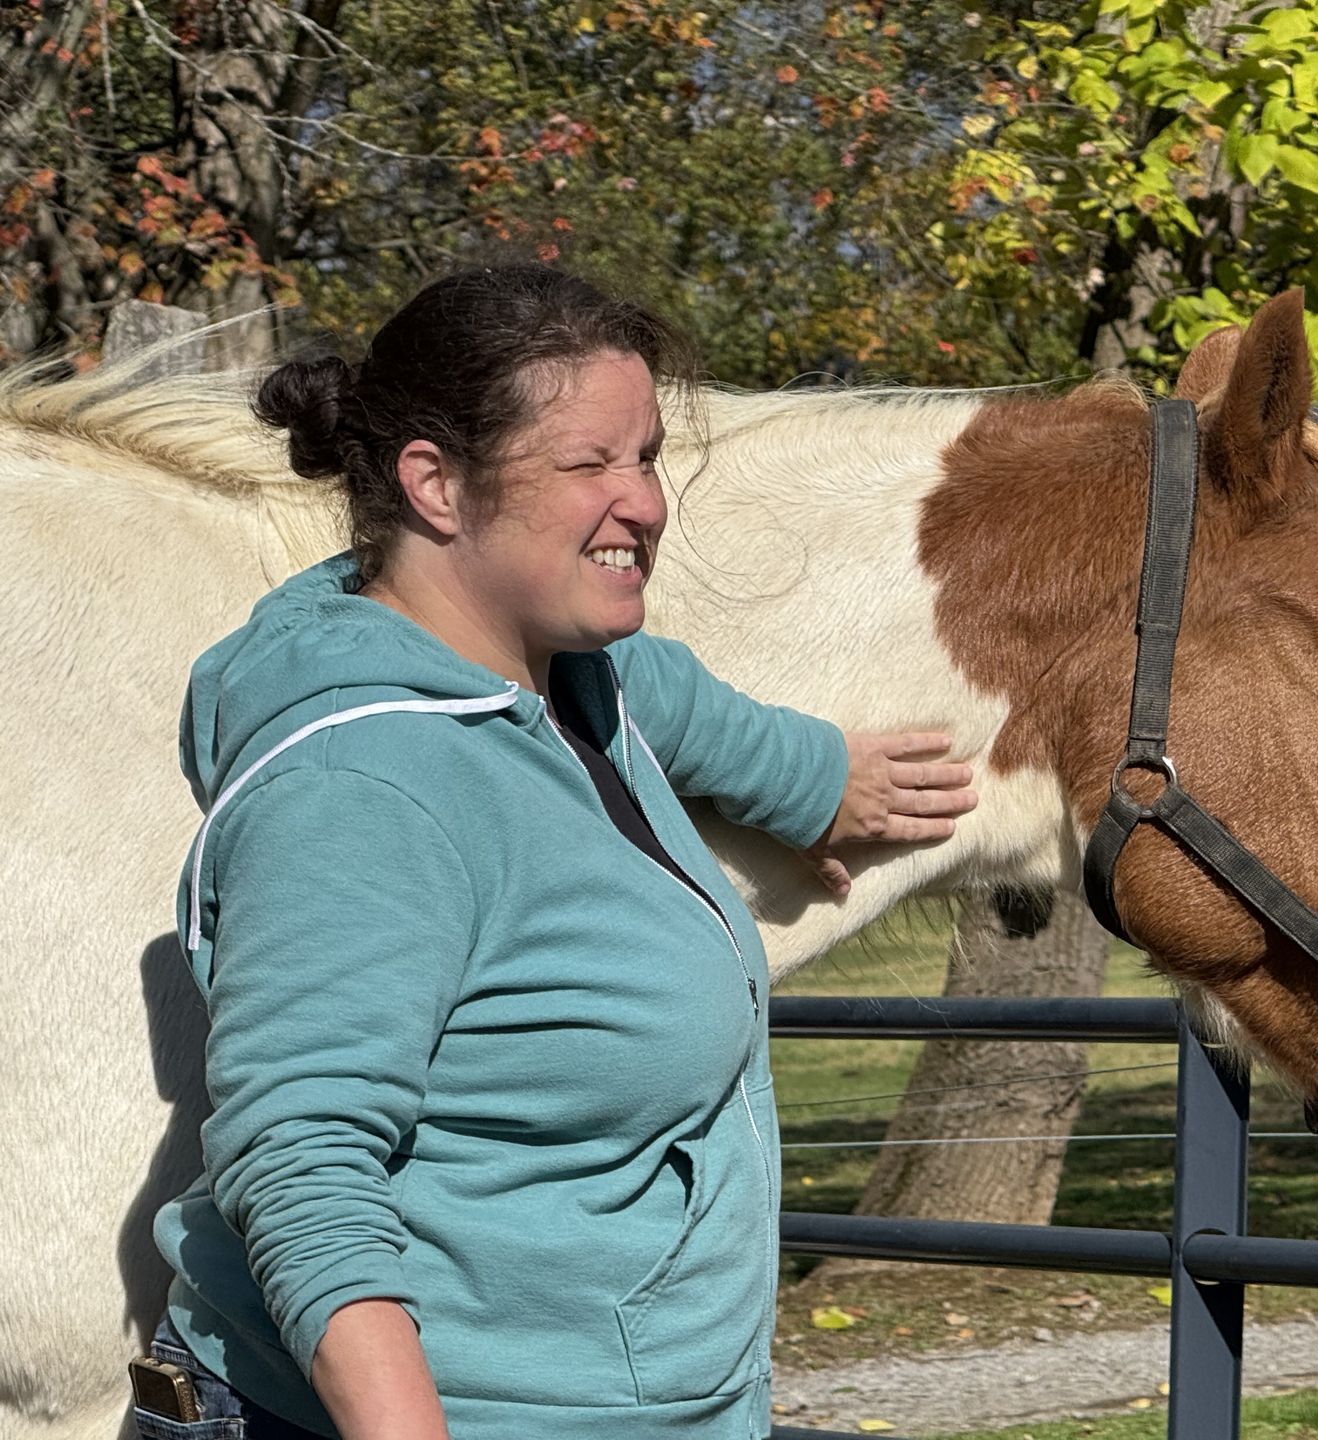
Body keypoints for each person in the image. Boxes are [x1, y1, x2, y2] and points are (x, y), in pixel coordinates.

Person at [138, 265, 977, 1440]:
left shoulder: (565, 672)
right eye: (591, 465)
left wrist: (811, 779)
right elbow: (302, 1165)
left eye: (647, 457)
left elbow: (667, 696)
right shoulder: (361, 793)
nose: (643, 503)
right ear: (434, 483)